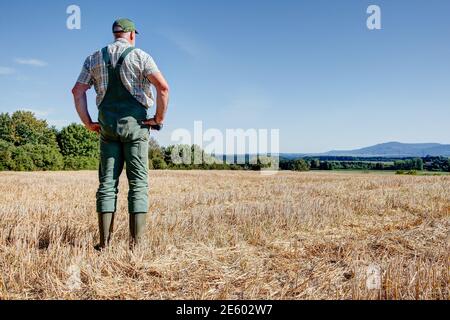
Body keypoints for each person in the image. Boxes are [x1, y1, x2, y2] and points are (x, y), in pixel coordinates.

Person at [71, 18, 169, 249]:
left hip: (107, 128)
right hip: (136, 127)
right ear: (132, 34)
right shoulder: (141, 57)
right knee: (138, 184)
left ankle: (104, 244)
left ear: (115, 33)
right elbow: (163, 88)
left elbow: (77, 91)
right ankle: (137, 245)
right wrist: (158, 119)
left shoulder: (93, 58)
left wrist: (87, 122)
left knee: (106, 184)